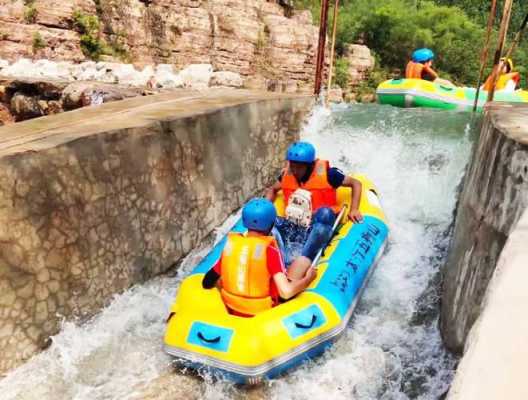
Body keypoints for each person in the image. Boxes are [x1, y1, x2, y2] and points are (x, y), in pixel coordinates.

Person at [202, 198, 317, 317]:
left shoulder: (230, 246)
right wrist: (308, 279)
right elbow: (285, 292)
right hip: (264, 313)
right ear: (272, 224)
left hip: (232, 309)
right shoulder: (269, 251)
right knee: (303, 261)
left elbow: (207, 281)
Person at [265, 141, 363, 266]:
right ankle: (283, 260)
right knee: (268, 220)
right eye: (292, 165)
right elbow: (272, 189)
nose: (294, 170)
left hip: (318, 223)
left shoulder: (330, 174)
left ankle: (302, 261)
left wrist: (354, 209)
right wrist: (265, 208)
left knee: (326, 212)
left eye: (299, 167)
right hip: (293, 224)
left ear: (310, 165)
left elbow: (356, 183)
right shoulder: (287, 174)